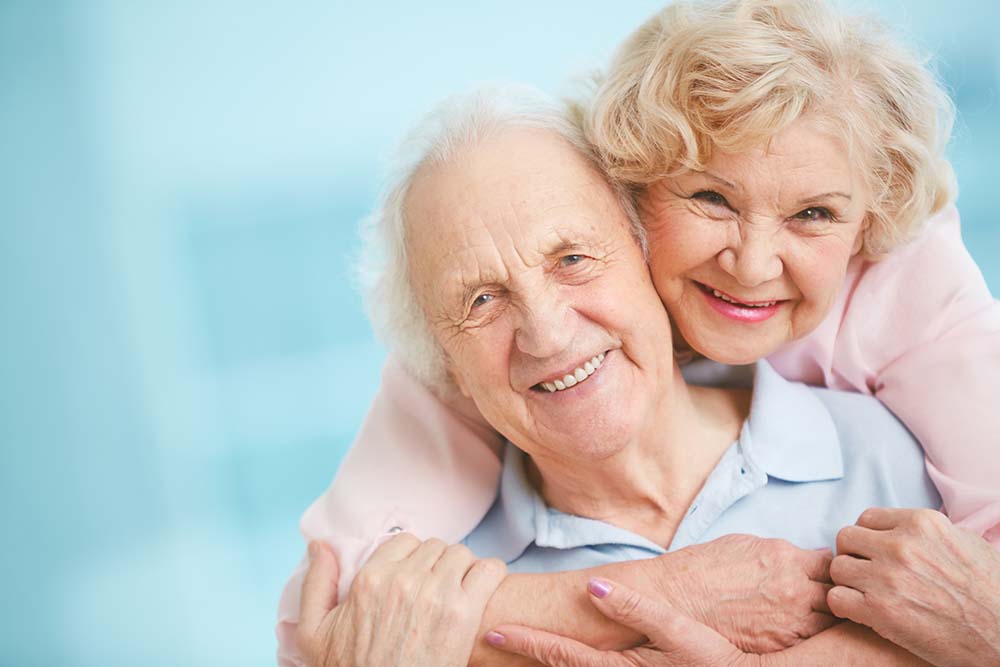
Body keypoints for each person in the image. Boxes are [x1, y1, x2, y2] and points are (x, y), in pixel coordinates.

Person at [278, 0, 1000, 664]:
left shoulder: (901, 401)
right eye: (484, 300)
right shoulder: (434, 553)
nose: (549, 332)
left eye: (573, 259)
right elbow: (324, 623)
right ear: (645, 207)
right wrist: (654, 595)